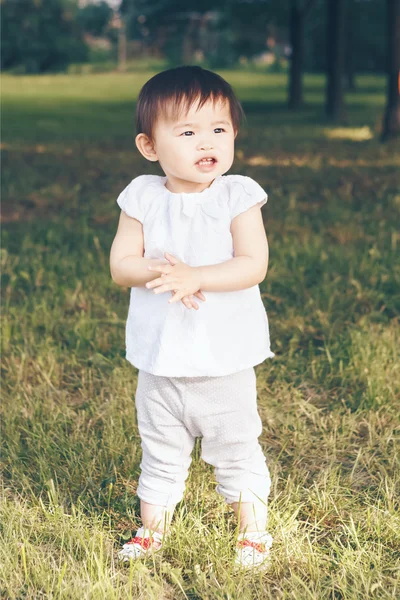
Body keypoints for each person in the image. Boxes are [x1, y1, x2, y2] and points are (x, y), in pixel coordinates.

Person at [110, 65, 275, 569]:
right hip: (160, 362)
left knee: (236, 447)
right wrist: (163, 270)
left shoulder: (237, 195)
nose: (208, 141)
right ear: (150, 146)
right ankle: (150, 530)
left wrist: (196, 276)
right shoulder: (142, 195)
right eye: (187, 131)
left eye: (219, 129)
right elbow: (121, 266)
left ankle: (251, 533)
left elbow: (253, 265)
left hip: (222, 362)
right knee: (159, 449)